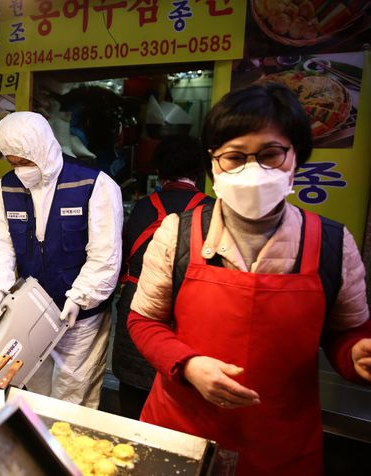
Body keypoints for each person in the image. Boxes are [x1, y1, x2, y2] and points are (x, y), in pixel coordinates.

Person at [127, 83, 371, 475]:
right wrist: (187, 364)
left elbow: (348, 331)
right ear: (213, 163)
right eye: (235, 157)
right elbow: (144, 320)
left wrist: (354, 355)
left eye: (270, 154)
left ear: (296, 157)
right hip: (181, 435)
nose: (252, 170)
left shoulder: (332, 243)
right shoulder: (177, 232)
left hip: (281, 447)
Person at [0, 111, 123, 408]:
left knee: (74, 393)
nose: (20, 170)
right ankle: (40, 445)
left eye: (26, 161)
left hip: (81, 316)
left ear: (44, 149)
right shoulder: (6, 188)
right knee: (33, 387)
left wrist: (81, 297)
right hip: (30, 314)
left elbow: (104, 253)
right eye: (13, 162)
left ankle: (68, 452)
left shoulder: (94, 185)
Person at [113, 135, 214, 419]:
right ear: (200, 170)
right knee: (180, 399)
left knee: (134, 403)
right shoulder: (212, 209)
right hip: (189, 310)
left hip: (137, 307)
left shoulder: (144, 207)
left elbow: (121, 259)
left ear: (160, 170)